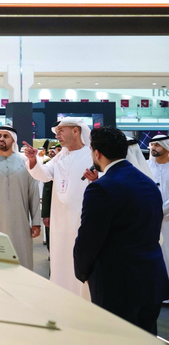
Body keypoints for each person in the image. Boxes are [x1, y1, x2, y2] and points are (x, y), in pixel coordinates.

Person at [74, 126, 169, 334]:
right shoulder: (148, 182)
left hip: (117, 284)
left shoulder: (100, 188)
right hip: (151, 279)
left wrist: (82, 271)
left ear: (97, 153)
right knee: (146, 337)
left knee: (116, 337)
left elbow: (89, 239)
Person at [23, 118, 92, 299]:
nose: (57, 135)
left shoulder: (92, 154)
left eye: (61, 130)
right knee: (61, 258)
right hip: (60, 219)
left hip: (82, 219)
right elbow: (44, 175)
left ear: (76, 131)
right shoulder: (61, 156)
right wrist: (33, 160)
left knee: (81, 258)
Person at [0, 126, 41, 270]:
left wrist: (36, 222)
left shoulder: (25, 162)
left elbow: (33, 193)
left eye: (6, 136)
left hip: (20, 223)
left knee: (21, 259)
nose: (2, 139)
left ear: (13, 140)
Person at [148, 134, 169, 278]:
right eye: (152, 145)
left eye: (157, 145)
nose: (153, 147)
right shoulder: (145, 166)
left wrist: (162, 210)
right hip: (149, 219)